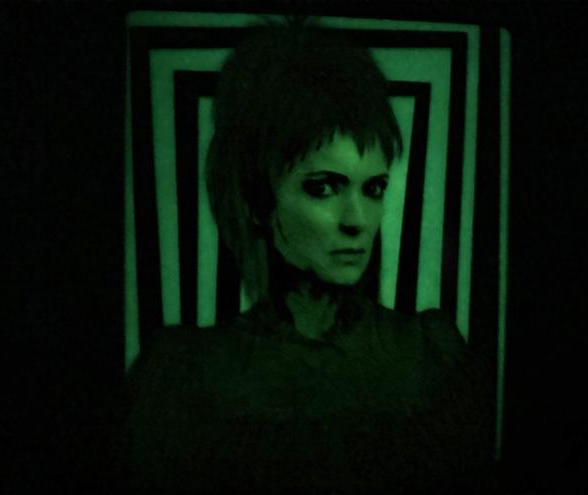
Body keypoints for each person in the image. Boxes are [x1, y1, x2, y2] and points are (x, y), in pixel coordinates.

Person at [104, 16, 499, 495]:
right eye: (324, 187)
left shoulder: (427, 355)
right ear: (257, 198)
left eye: (373, 188)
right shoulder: (185, 373)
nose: (357, 220)